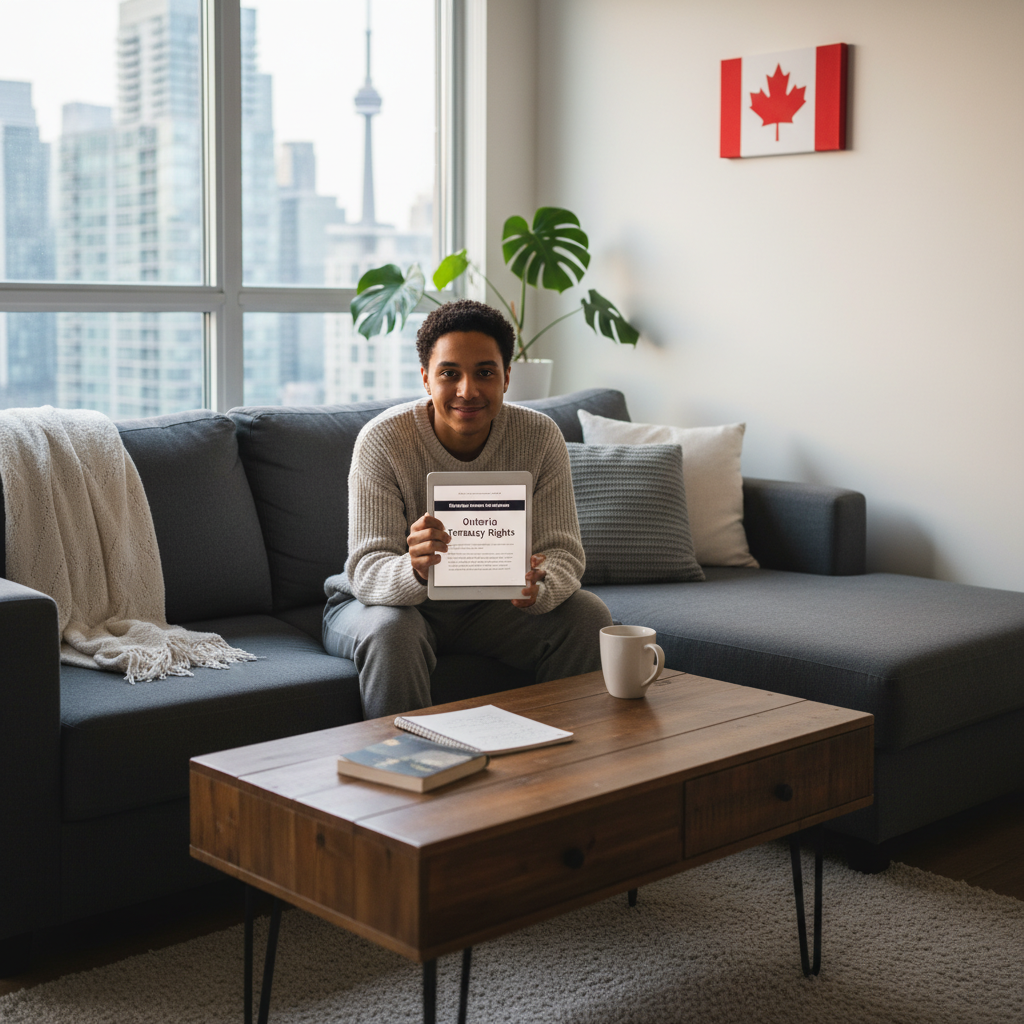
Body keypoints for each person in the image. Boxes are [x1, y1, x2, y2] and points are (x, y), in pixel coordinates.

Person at [322, 298, 613, 718]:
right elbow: (366, 569)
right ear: (426, 378)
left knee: (588, 615)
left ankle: (560, 769)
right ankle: (406, 771)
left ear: (507, 377)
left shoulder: (540, 437)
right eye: (449, 373)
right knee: (393, 632)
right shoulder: (383, 440)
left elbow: (564, 553)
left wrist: (539, 585)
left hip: (489, 609)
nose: (467, 390)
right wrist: (415, 567)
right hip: (383, 607)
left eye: (485, 373)